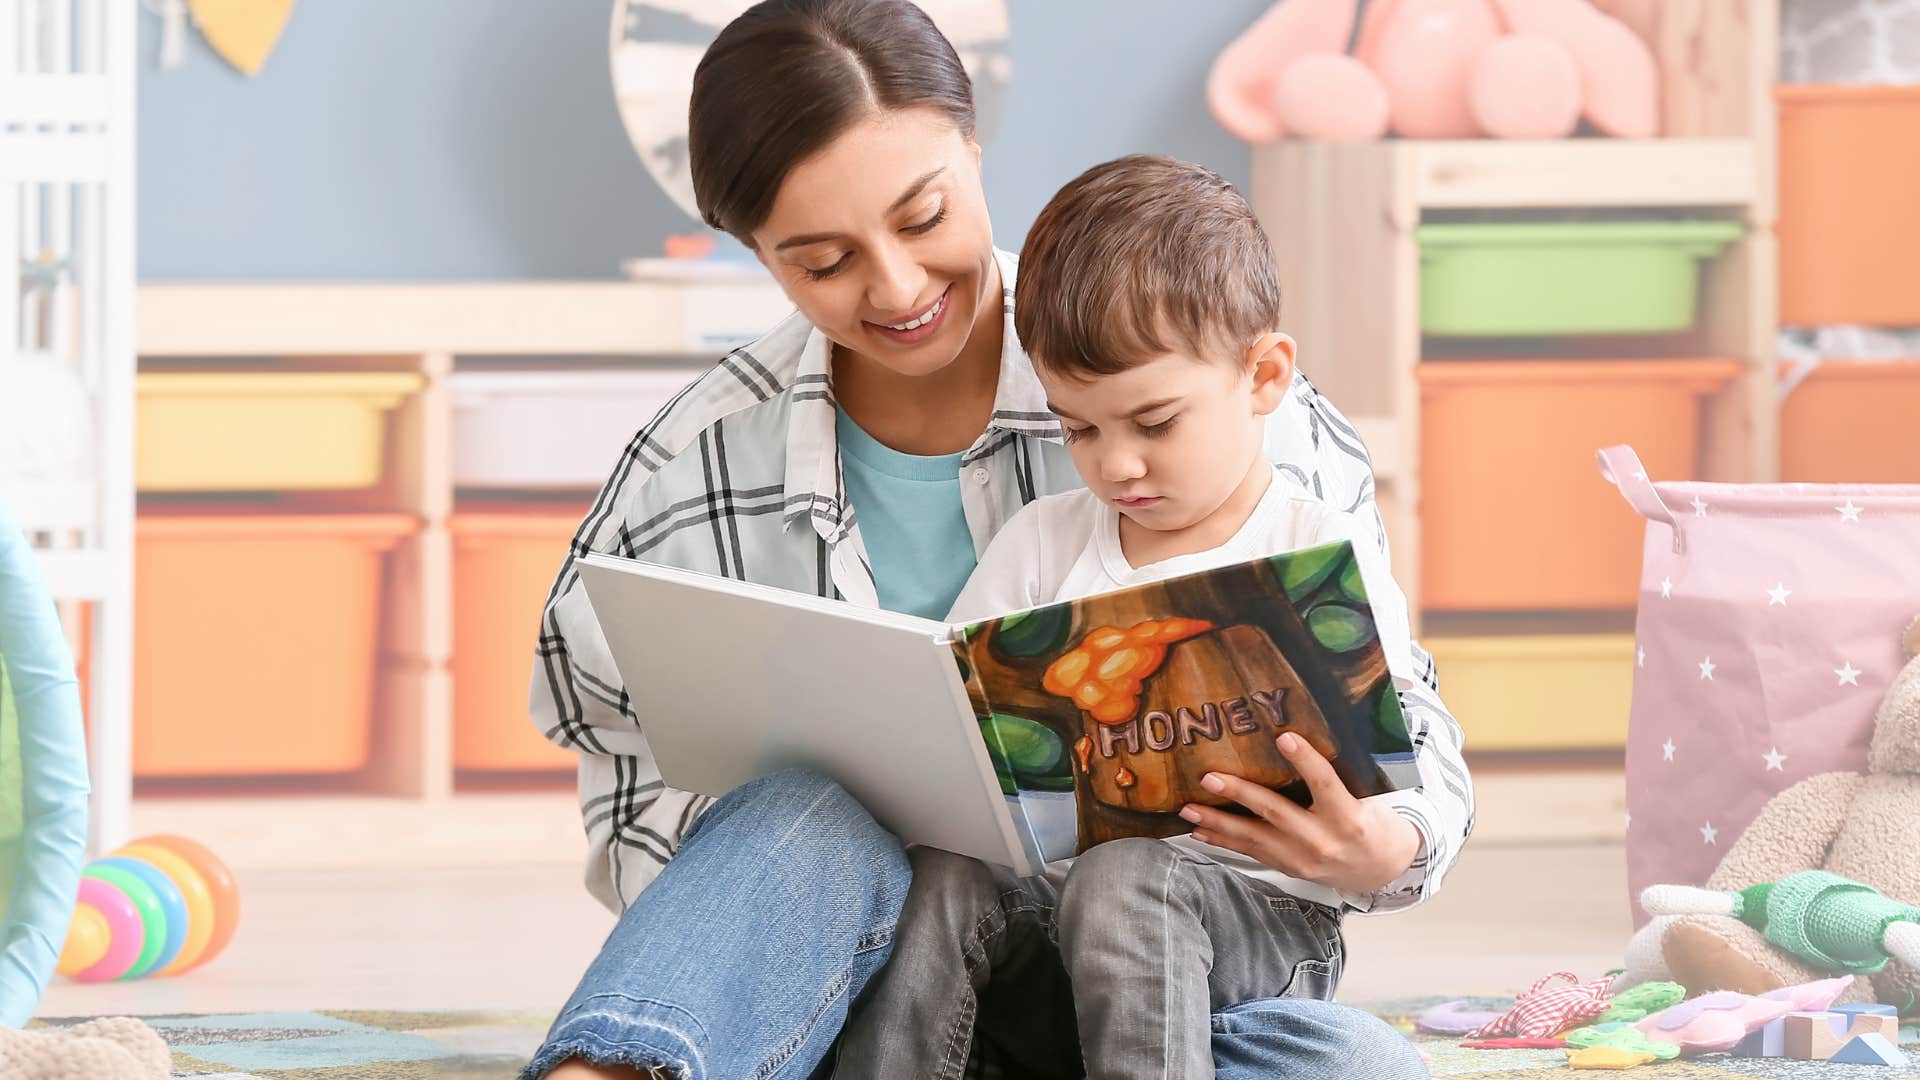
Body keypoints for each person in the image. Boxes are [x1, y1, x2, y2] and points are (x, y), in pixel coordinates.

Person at [523, 3, 1473, 1078]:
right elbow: (630, 789)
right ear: (758, 254)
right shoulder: (690, 465)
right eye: (824, 259)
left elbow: (1410, 728)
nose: (896, 286)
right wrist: (804, 892)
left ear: (972, 152)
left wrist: (1379, 848)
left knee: (1352, 1065)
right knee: (806, 817)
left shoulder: (1230, 391)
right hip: (888, 969)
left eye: (923, 215)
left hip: (1187, 987)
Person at [830, 154, 1462, 1080]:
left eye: (1154, 423)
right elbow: (952, 727)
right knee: (946, 876)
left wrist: (1382, 845)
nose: (1115, 467)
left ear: (1264, 375)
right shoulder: (1044, 543)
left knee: (1134, 875)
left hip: (1260, 925)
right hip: (1056, 928)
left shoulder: (1311, 544)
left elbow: (1407, 746)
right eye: (1079, 429)